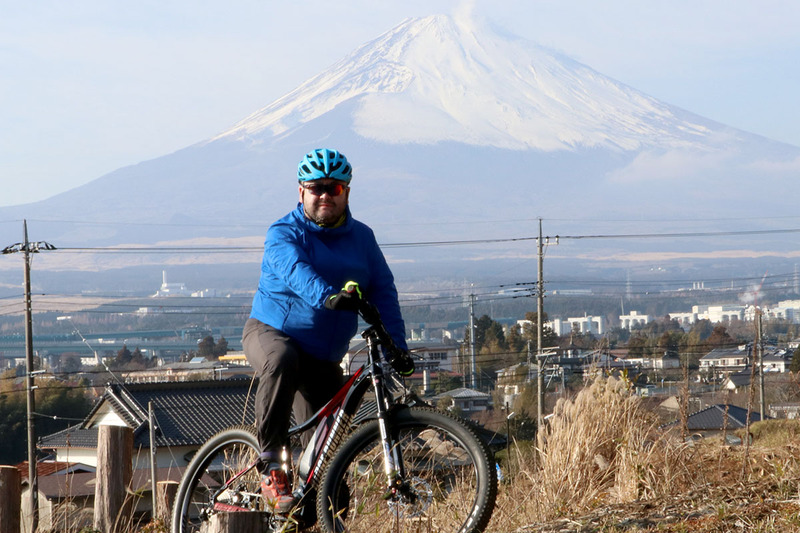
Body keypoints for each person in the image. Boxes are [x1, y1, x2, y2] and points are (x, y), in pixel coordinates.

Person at [242, 148, 413, 513]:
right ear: (300, 191)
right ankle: (270, 464)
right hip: (272, 333)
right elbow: (295, 272)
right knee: (282, 358)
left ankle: (305, 512)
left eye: (333, 188)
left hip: (323, 357)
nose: (324, 195)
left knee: (330, 483)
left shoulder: (362, 238)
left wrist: (398, 347)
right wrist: (329, 297)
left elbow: (383, 290)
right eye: (315, 187)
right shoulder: (283, 232)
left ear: (346, 192)